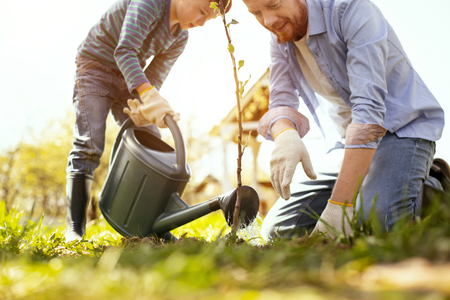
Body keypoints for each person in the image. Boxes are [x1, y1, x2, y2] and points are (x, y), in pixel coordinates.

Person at [242, 0, 447, 239]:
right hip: (348, 142)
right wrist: (285, 135)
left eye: (274, 4)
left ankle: (433, 189)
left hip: (402, 130)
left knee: (380, 224)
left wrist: (339, 206)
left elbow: (369, 110)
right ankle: (381, 185)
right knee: (278, 231)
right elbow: (281, 103)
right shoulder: (281, 36)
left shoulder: (350, 10)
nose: (268, 21)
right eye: (256, 13)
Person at [66, 0, 231, 241]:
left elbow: (153, 77)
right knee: (89, 143)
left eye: (209, 19)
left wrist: (147, 107)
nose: (202, 22)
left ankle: (152, 228)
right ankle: (75, 228)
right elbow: (124, 51)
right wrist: (149, 95)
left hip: (129, 79)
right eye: (202, 11)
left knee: (152, 142)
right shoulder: (151, 3)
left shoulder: (180, 38)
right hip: (95, 67)